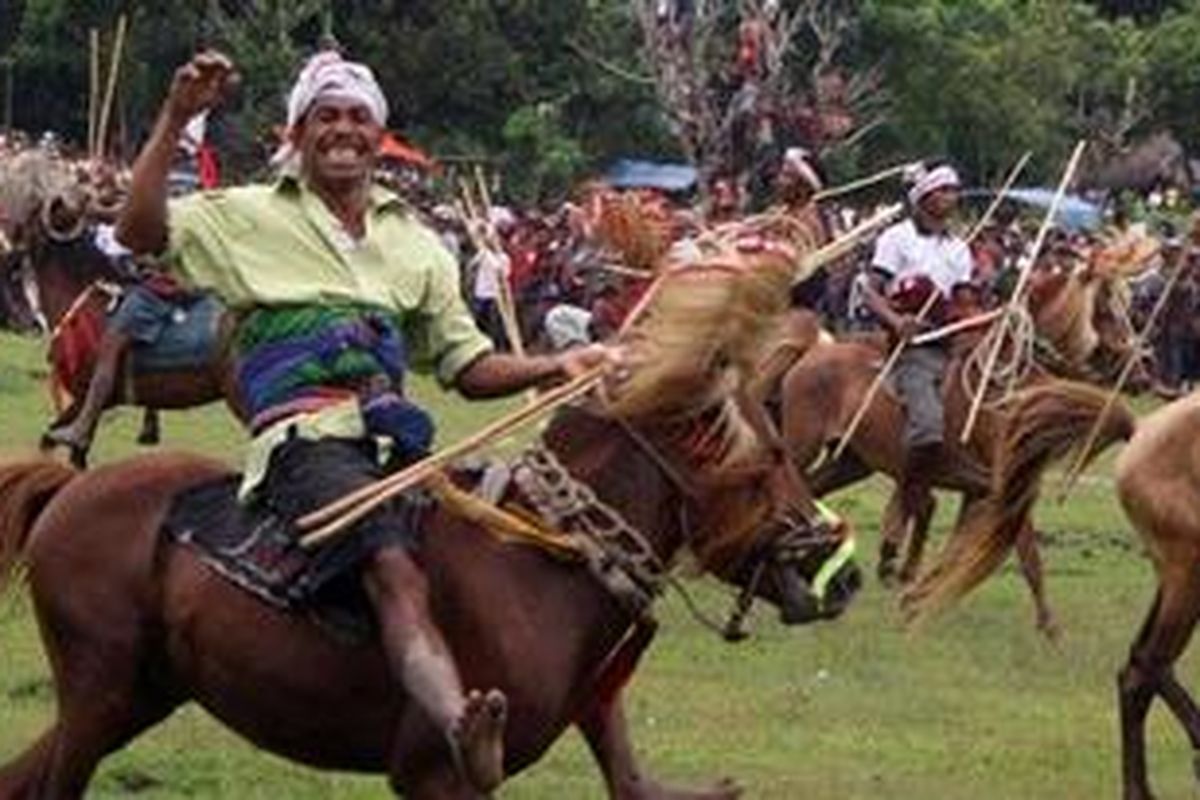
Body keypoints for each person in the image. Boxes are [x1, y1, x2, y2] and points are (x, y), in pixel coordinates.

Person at [115, 50, 609, 794]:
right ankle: (455, 729)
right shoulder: (247, 213)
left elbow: (467, 366)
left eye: (357, 118)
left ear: (379, 135)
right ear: (298, 131)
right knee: (393, 569)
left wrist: (553, 366)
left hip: (398, 446)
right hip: (305, 442)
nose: (342, 130)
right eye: (326, 116)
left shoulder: (418, 244)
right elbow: (137, 231)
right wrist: (177, 118)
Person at [861, 163, 974, 582]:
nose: (952, 198)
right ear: (924, 198)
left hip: (950, 346)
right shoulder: (896, 239)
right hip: (912, 350)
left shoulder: (960, 249)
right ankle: (901, 511)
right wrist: (896, 321)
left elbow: (963, 301)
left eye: (955, 191)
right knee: (927, 426)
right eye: (944, 190)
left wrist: (974, 326)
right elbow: (869, 290)